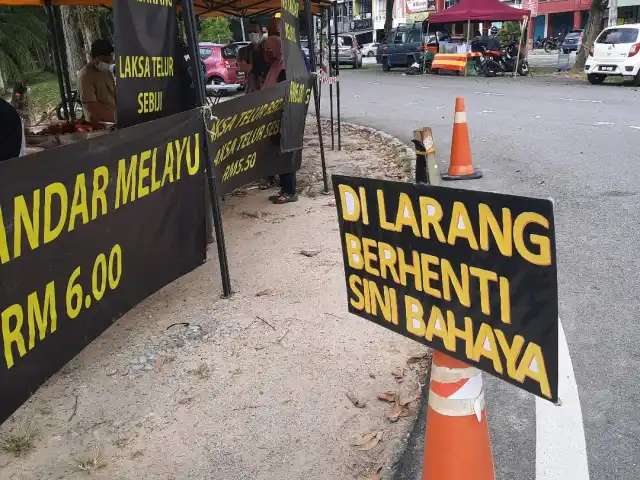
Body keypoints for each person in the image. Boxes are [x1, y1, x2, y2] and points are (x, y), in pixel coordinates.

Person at [263, 17, 298, 204]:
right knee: (278, 153)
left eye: (270, 49)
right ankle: (284, 188)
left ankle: (289, 191)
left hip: (283, 118)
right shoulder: (275, 66)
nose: (267, 53)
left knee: (285, 153)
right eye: (265, 49)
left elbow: (283, 94)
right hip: (275, 118)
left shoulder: (283, 68)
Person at [78, 39, 116, 122]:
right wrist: (113, 117)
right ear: (95, 58)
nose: (107, 64)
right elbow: (90, 105)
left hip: (114, 120)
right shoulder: (85, 75)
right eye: (105, 61)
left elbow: (114, 94)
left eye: (109, 61)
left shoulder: (107, 72)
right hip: (99, 124)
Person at [238, 21, 269, 94]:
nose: (252, 34)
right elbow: (241, 68)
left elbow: (269, 68)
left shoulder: (268, 49)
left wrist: (251, 68)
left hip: (266, 89)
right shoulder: (243, 51)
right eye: (250, 32)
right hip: (250, 90)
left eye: (255, 31)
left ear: (261, 33)